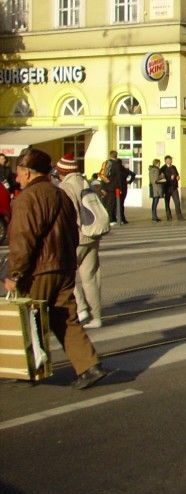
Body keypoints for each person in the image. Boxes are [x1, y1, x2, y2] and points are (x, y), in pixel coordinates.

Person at [4, 148, 110, 389]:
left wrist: (14, 273)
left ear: (28, 173)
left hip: (38, 269)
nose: (16, 177)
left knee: (27, 319)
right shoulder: (59, 193)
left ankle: (27, 368)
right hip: (63, 266)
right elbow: (74, 230)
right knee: (65, 317)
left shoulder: (27, 198)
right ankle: (89, 366)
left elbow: (23, 240)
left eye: (19, 172)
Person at [54, 155, 104, 329]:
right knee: (90, 277)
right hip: (93, 234)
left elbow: (70, 214)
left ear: (62, 172)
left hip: (78, 237)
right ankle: (96, 317)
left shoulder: (66, 186)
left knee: (64, 273)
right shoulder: (84, 182)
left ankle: (81, 308)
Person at [99, 151, 134, 224]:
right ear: (116, 156)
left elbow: (102, 175)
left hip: (109, 186)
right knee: (118, 203)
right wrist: (126, 183)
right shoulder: (118, 165)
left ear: (110, 155)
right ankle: (118, 219)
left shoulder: (107, 163)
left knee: (111, 203)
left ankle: (112, 219)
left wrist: (105, 185)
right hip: (118, 187)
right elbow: (123, 176)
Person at [160, 155, 185, 220]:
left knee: (177, 202)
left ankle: (179, 216)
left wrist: (177, 177)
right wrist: (169, 178)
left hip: (174, 187)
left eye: (171, 160)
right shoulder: (163, 168)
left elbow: (177, 174)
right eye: (169, 160)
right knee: (167, 202)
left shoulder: (173, 167)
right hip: (167, 188)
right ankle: (168, 216)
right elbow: (161, 178)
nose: (170, 161)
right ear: (166, 161)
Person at [148, 158, 164, 222]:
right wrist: (162, 176)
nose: (159, 165)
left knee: (154, 203)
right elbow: (155, 179)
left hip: (154, 188)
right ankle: (154, 217)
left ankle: (154, 216)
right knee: (155, 203)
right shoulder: (156, 170)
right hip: (156, 188)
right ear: (157, 163)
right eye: (159, 163)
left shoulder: (151, 169)